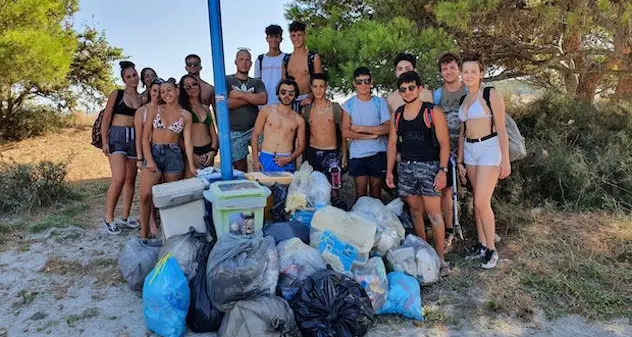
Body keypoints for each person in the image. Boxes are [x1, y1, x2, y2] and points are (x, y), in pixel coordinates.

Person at [386, 70, 451, 276]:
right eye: (403, 89)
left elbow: (444, 143)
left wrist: (442, 171)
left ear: (420, 89)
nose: (407, 92)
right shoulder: (398, 114)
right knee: (415, 211)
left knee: (434, 214)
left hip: (429, 167)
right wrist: (390, 171)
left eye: (411, 87)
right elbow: (393, 143)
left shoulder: (432, 112)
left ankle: (440, 259)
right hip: (406, 167)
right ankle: (425, 253)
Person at [457, 54, 511, 269]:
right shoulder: (463, 99)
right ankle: (481, 244)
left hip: (489, 148)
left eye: (473, 71)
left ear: (481, 74)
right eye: (466, 71)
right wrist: (460, 161)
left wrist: (505, 160)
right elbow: (462, 133)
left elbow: (502, 128)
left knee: (481, 201)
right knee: (476, 201)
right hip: (470, 151)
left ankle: (491, 249)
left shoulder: (490, 94)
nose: (469, 75)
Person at [139, 78, 196, 239]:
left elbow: (188, 141)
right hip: (154, 151)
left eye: (169, 90)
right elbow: (145, 138)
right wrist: (149, 159)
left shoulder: (186, 115)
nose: (165, 94)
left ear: (177, 91)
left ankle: (170, 234)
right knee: (145, 195)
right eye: (162, 92)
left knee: (171, 198)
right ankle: (144, 235)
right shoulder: (154, 110)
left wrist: (191, 165)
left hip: (174, 154)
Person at [100, 61, 142, 234]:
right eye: (128, 76)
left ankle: (125, 217)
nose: (133, 79)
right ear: (124, 79)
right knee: (118, 178)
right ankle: (108, 217)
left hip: (134, 138)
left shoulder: (142, 98)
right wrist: (104, 141)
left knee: (130, 179)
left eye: (134, 75)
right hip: (117, 137)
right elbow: (106, 117)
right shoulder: (116, 94)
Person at [434, 52, 468, 249]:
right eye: (444, 69)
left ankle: (484, 226)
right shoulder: (437, 95)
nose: (448, 72)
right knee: (446, 190)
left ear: (459, 69)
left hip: (469, 146)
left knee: (476, 186)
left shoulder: (469, 90)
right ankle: (448, 230)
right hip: (445, 149)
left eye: (452, 67)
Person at [341, 67, 390, 201]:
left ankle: (377, 221)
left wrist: (359, 128)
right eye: (359, 82)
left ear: (371, 82)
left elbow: (387, 128)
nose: (363, 85)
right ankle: (360, 221)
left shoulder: (380, 102)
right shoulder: (348, 105)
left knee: (376, 191)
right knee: (360, 193)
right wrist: (370, 135)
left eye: (366, 81)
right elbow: (346, 132)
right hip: (358, 154)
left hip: (378, 152)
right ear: (354, 83)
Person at [301, 73, 347, 205]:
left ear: (326, 87)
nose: (318, 90)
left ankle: (334, 219)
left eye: (321, 86)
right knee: (314, 190)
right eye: (315, 86)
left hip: (331, 154)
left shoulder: (335, 108)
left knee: (334, 191)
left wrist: (344, 156)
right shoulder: (306, 110)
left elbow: (343, 133)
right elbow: (302, 134)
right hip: (312, 153)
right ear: (311, 88)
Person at [251, 78, 306, 172]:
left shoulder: (299, 119)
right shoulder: (266, 111)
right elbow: (255, 135)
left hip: (286, 159)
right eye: (283, 92)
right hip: (266, 157)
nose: (286, 96)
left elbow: (301, 145)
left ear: (295, 95)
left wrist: (289, 158)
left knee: (285, 186)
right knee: (264, 187)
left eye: (291, 94)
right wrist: (256, 161)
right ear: (278, 93)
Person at [226, 49, 267, 172]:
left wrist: (239, 94)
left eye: (247, 60)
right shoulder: (227, 80)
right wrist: (251, 97)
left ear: (250, 63)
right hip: (235, 131)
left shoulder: (257, 82)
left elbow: (263, 99)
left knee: (267, 157)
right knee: (240, 168)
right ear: (235, 62)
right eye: (241, 59)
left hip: (256, 128)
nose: (244, 62)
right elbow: (226, 103)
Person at [134, 77, 163, 237]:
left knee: (162, 188)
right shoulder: (142, 111)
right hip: (148, 151)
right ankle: (150, 222)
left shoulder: (167, 109)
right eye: (154, 91)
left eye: (160, 91)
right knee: (147, 192)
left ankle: (160, 220)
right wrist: (140, 157)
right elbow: (139, 137)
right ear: (149, 91)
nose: (157, 94)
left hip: (165, 151)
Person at [179, 74, 219, 176]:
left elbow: (213, 133)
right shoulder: (182, 110)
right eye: (188, 86)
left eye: (194, 84)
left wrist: (212, 150)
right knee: (191, 185)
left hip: (208, 150)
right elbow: (179, 138)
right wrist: (191, 155)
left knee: (207, 184)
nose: (192, 88)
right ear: (184, 90)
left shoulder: (205, 108)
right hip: (192, 151)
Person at [282, 21, 322, 112]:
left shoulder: (313, 57)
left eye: (299, 35)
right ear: (290, 37)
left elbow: (320, 83)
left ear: (304, 35)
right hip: (291, 101)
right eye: (293, 35)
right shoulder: (286, 59)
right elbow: (283, 85)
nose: (296, 38)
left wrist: (310, 97)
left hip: (309, 101)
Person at [254, 24, 285, 107]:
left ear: (281, 39)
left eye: (276, 37)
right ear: (267, 39)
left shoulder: (286, 58)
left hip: (282, 104)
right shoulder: (260, 59)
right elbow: (256, 83)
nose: (274, 40)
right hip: (264, 106)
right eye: (271, 37)